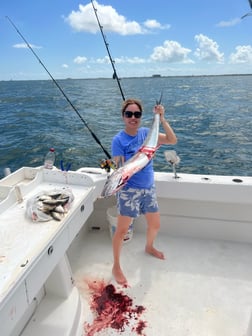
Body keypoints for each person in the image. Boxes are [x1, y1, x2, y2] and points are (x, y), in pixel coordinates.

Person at [111, 98, 177, 285]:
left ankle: (149, 247)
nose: (133, 117)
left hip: (148, 189)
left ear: (141, 116)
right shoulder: (118, 140)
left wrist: (161, 118)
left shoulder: (148, 134)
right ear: (123, 116)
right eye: (129, 114)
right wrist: (138, 156)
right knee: (122, 230)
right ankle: (116, 265)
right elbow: (119, 167)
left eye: (137, 114)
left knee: (155, 224)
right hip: (129, 191)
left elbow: (172, 140)